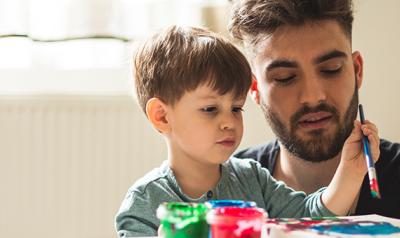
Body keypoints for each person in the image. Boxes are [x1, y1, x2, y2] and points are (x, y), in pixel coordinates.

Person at [114, 25, 379, 237]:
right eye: (210, 109)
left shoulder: (251, 178)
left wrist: (352, 171)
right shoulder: (146, 202)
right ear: (161, 116)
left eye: (236, 108)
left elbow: (311, 217)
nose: (229, 121)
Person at [229, 0, 400, 218]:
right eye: (285, 78)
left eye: (331, 70)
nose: (312, 96)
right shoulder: (226, 186)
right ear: (255, 89)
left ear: (357, 71)